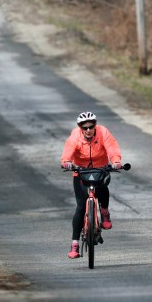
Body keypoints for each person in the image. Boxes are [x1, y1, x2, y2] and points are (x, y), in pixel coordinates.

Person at [60, 111, 123, 259]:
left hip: (100, 170)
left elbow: (112, 147)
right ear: (80, 127)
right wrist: (66, 162)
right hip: (81, 172)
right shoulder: (75, 135)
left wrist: (115, 161)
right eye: (85, 127)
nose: (88, 130)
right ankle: (74, 244)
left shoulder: (103, 132)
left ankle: (105, 213)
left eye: (91, 126)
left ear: (95, 125)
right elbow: (68, 150)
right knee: (81, 207)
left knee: (103, 190)